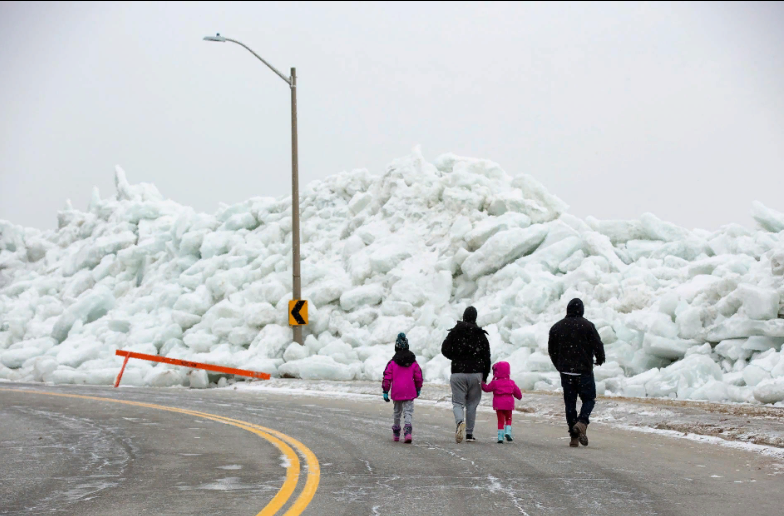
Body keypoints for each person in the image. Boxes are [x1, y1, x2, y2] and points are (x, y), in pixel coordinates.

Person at [548, 298, 605, 447]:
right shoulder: (587, 326)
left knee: (570, 403)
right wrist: (600, 359)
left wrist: (559, 365)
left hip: (566, 372)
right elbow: (598, 345)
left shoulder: (557, 327)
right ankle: (582, 422)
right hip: (584, 371)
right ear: (582, 310)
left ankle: (574, 436)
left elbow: (552, 350)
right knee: (589, 399)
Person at [441, 306, 491, 443]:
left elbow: (444, 349)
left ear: (463, 316)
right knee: (472, 404)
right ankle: (469, 434)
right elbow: (487, 357)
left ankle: (459, 422)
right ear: (475, 317)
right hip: (476, 374)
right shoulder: (480, 335)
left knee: (458, 403)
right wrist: (484, 376)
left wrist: (456, 358)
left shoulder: (455, 332)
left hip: (458, 373)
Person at [382, 333, 423, 444]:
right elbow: (418, 375)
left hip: (397, 390)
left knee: (397, 412)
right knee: (408, 411)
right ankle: (408, 432)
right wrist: (418, 387)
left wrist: (385, 390)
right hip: (409, 390)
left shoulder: (392, 362)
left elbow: (387, 376)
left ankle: (396, 432)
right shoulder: (413, 362)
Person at [481, 361, 523, 443]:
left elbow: (487, 389)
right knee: (508, 418)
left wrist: (481, 383)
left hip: (499, 405)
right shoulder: (511, 382)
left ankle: (500, 437)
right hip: (508, 403)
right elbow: (518, 394)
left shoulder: (495, 382)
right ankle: (508, 432)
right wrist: (519, 397)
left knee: (500, 420)